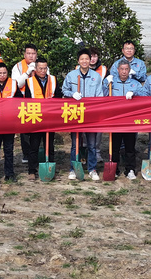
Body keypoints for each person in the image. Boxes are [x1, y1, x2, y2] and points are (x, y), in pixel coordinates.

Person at [62, 48, 103, 181]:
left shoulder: (96, 76)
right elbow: (64, 89)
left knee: (91, 144)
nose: (84, 61)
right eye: (82, 59)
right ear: (78, 61)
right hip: (76, 113)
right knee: (76, 144)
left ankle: (92, 169)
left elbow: (100, 95)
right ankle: (73, 168)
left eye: (87, 58)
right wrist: (72, 94)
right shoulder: (71, 75)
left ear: (90, 60)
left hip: (90, 114)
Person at [103, 59, 144, 179]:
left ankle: (130, 169)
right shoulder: (112, 83)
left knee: (130, 146)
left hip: (130, 120)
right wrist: (106, 84)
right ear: (118, 70)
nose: (124, 72)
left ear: (129, 70)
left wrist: (134, 92)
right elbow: (102, 95)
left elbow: (144, 95)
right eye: (122, 69)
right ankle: (114, 168)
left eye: (126, 69)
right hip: (115, 119)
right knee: (114, 146)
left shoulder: (135, 84)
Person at [0, 63, 22, 182]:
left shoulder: (13, 83)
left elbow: (20, 99)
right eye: (0, 73)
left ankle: (9, 174)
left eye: (4, 73)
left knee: (8, 149)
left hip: (8, 122)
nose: (2, 75)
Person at [24, 58, 57, 181]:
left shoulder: (53, 80)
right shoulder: (30, 82)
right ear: (36, 69)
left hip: (50, 119)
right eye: (40, 68)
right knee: (34, 146)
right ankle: (32, 170)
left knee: (50, 145)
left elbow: (58, 96)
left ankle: (51, 168)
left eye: (45, 68)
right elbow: (26, 101)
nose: (43, 71)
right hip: (36, 117)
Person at [11, 43, 38, 164]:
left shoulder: (42, 66)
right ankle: (26, 154)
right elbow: (16, 84)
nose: (31, 56)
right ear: (24, 54)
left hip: (38, 102)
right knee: (25, 130)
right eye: (28, 53)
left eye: (33, 53)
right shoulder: (18, 67)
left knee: (38, 129)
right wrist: (27, 72)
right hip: (23, 102)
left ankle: (36, 153)